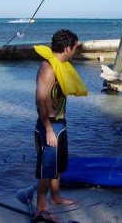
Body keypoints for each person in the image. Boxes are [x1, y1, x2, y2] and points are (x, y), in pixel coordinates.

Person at [33, 30, 88, 219]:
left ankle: (55, 197)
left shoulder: (60, 66)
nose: (76, 50)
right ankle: (41, 208)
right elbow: (40, 101)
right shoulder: (48, 69)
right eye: (75, 47)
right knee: (47, 169)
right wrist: (48, 129)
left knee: (58, 166)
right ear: (67, 47)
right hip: (49, 125)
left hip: (59, 123)